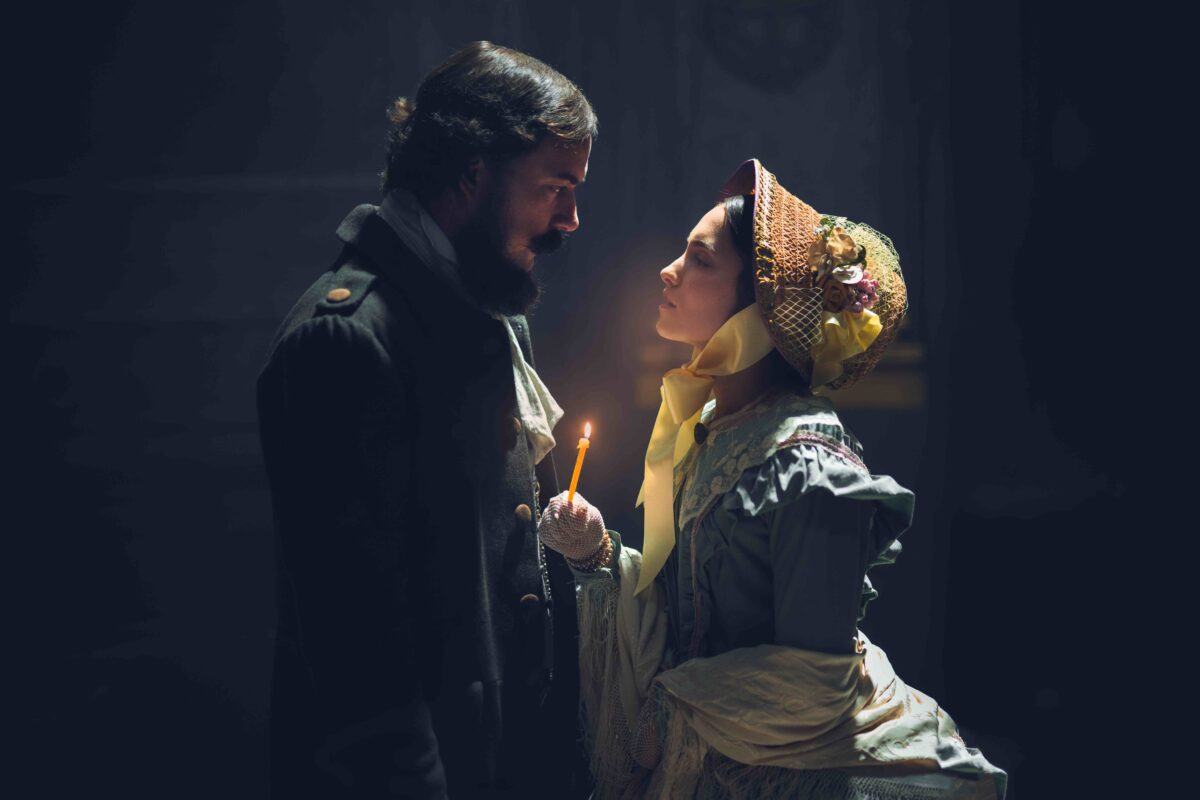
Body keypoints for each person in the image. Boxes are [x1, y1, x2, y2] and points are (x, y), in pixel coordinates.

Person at [538, 159, 1008, 798]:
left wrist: (677, 707)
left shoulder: (809, 466)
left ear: (761, 303)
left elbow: (813, 683)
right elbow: (685, 618)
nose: (668, 271)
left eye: (700, 259)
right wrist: (597, 553)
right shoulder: (709, 427)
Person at [256, 42, 595, 799]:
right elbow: (356, 650)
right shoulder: (344, 339)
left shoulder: (487, 313)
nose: (570, 220)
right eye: (555, 187)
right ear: (472, 175)